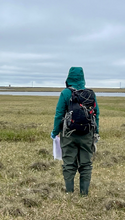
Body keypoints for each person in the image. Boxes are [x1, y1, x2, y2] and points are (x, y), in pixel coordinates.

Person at [51, 67, 100, 196]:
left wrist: (55, 131)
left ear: (69, 77)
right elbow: (97, 114)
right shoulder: (90, 94)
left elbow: (59, 114)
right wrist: (96, 132)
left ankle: (69, 193)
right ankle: (84, 193)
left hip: (68, 134)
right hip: (87, 134)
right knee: (86, 164)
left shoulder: (65, 93)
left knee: (68, 163)